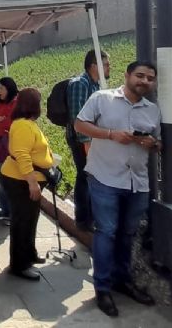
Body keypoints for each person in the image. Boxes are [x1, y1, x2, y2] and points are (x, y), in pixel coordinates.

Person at [74, 61, 161, 317]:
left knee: (128, 233)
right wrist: (111, 134)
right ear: (127, 75)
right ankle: (102, 287)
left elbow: (158, 144)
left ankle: (121, 280)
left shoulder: (152, 110)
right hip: (105, 178)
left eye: (149, 78)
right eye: (140, 75)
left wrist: (152, 143)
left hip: (138, 181)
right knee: (107, 231)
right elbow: (80, 124)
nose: (144, 81)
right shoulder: (102, 98)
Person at [0, 88, 56, 281]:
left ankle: (29, 254)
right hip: (21, 180)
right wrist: (32, 182)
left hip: (26, 178)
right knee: (22, 221)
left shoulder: (27, 123)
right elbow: (22, 155)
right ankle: (19, 264)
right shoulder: (23, 125)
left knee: (30, 219)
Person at [66, 49, 110, 231]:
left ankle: (90, 216)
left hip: (92, 140)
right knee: (84, 177)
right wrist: (87, 144)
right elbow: (79, 119)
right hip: (81, 140)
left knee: (91, 177)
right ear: (94, 66)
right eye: (106, 64)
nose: (109, 68)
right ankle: (83, 220)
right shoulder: (80, 84)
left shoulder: (95, 85)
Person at [0, 77, 19, 221]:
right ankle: (4, 210)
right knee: (1, 176)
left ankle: (11, 213)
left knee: (9, 179)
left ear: (9, 88)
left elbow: (11, 123)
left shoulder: (16, 103)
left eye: (1, 88)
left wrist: (0, 120)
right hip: (0, 145)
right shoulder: (0, 103)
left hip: (11, 147)